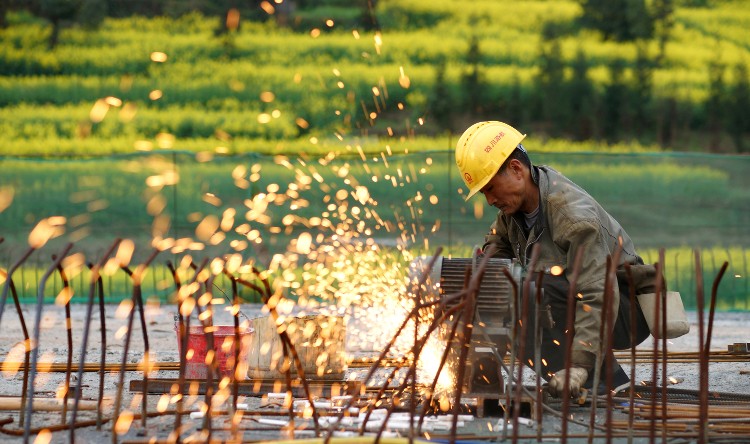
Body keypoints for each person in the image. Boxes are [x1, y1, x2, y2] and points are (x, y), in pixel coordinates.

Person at [455, 121, 655, 398]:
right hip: (577, 299)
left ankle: (601, 379)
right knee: (503, 286)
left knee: (529, 290)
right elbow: (491, 266)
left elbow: (599, 291)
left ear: (515, 169)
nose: (489, 200)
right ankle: (573, 381)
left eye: (490, 188)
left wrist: (580, 365)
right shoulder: (512, 214)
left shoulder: (571, 216)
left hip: (622, 308)